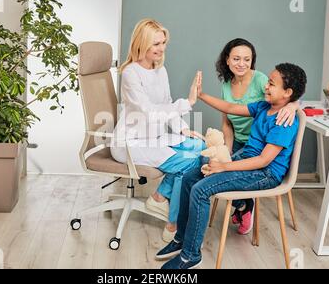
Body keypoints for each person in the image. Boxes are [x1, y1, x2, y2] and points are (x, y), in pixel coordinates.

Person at [157, 63, 307, 269]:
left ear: (287, 93)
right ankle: (182, 238)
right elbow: (229, 108)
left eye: (272, 84)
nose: (266, 86)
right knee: (192, 175)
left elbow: (264, 160)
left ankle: (191, 255)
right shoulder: (264, 107)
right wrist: (201, 95)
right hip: (247, 161)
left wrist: (223, 167)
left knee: (201, 190)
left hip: (265, 173)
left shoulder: (284, 121)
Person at [110, 19, 205, 242]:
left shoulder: (160, 70)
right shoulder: (131, 74)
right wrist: (189, 102)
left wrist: (183, 129)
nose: (161, 48)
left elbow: (167, 102)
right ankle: (174, 223)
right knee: (189, 163)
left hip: (155, 136)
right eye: (155, 44)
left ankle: (159, 197)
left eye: (163, 43)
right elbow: (150, 112)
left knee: (201, 148)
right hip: (130, 143)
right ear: (142, 44)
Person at [213, 38, 300, 233]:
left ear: (253, 60)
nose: (241, 64)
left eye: (247, 59)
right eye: (236, 58)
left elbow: (285, 97)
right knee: (214, 166)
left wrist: (294, 106)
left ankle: (245, 206)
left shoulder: (262, 81)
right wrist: (227, 148)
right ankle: (243, 205)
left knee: (226, 172)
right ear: (227, 60)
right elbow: (227, 119)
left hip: (259, 146)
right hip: (238, 142)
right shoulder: (226, 84)